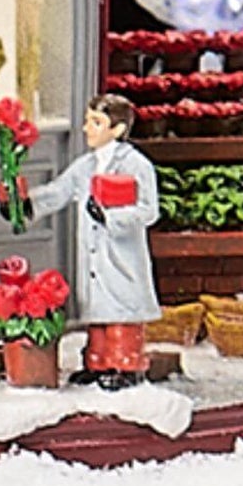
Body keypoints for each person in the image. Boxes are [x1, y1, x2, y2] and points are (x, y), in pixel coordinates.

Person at [55, 94, 161, 387]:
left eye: (96, 122)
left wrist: (110, 217)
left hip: (120, 254)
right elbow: (59, 191)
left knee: (122, 314)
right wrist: (25, 204)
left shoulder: (137, 165)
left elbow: (148, 210)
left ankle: (127, 365)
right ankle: (98, 361)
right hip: (93, 253)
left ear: (117, 129)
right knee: (98, 314)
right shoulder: (85, 166)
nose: (87, 128)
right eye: (88, 120)